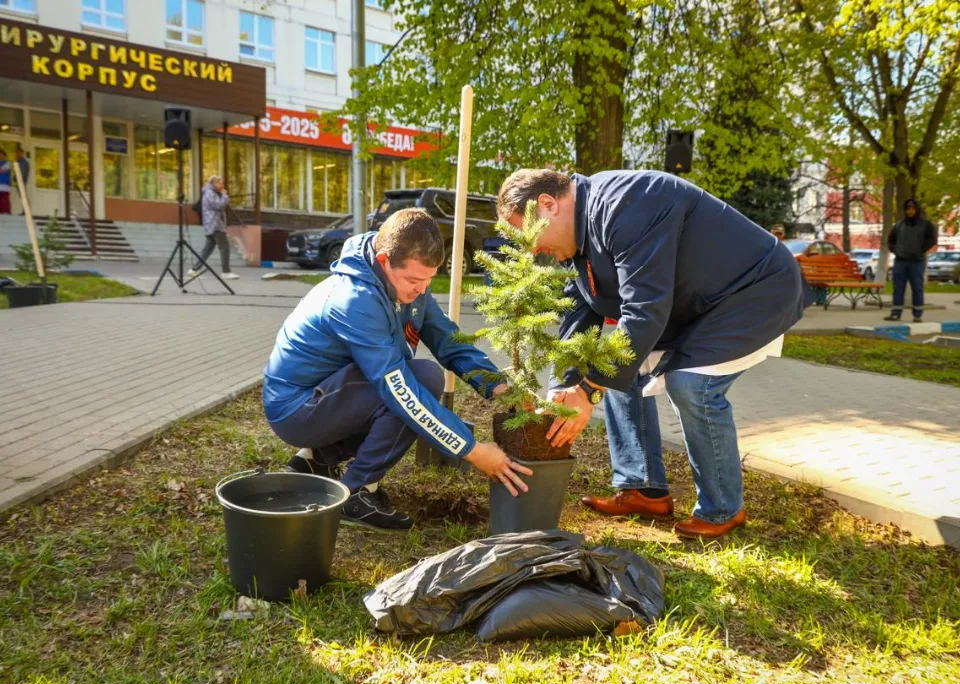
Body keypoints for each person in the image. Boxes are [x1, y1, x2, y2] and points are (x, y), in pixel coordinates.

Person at [497, 169, 807, 539]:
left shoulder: (626, 204)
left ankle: (723, 508)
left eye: (530, 234)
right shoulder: (575, 235)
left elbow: (644, 312)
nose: (532, 250)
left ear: (548, 205)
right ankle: (643, 489)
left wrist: (589, 390)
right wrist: (563, 387)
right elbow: (578, 313)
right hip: (691, 303)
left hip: (754, 289)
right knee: (617, 367)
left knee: (692, 385)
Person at [263, 208, 532, 531]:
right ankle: (356, 492)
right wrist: (471, 450)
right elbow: (398, 389)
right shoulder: (355, 300)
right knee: (419, 383)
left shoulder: (404, 284)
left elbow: (447, 340)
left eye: (429, 280)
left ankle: (315, 461)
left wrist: (498, 387)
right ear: (383, 260)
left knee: (419, 378)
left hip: (328, 396)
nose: (421, 290)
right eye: (414, 281)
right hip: (297, 410)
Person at [884, 199, 937, 323]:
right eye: (908, 209)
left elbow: (932, 240)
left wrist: (921, 249)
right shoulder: (899, 225)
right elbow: (890, 240)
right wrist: (895, 250)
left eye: (912, 208)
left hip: (917, 262)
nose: (910, 211)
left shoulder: (926, 225)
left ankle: (917, 314)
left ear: (916, 209)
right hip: (900, 261)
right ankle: (895, 313)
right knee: (898, 288)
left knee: (917, 288)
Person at [188, 175, 239, 280]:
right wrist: (225, 196)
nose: (222, 185)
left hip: (213, 224)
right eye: (220, 183)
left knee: (207, 250)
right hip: (215, 224)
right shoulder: (210, 193)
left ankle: (194, 270)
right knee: (224, 248)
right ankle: (226, 271)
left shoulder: (212, 193)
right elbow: (219, 205)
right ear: (213, 183)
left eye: (222, 183)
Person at [0, 150, 11, 215]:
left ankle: (6, 212)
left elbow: (1, 170)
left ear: (4, 155)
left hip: (5, 186)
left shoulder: (7, 163)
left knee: (4, 200)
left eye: (1, 154)